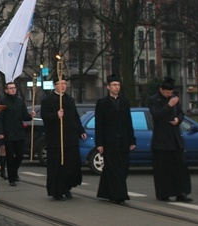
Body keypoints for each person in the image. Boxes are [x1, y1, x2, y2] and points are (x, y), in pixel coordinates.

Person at [147, 77, 193, 202]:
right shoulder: (153, 100)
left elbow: (181, 113)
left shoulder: (174, 99)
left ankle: (181, 192)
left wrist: (178, 119)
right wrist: (168, 105)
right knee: (163, 168)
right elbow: (156, 116)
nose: (169, 94)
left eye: (170, 92)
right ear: (161, 90)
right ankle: (164, 193)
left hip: (175, 137)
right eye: (167, 92)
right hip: (161, 140)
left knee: (180, 166)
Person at [41, 79, 86, 201]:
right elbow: (44, 116)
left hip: (70, 137)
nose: (63, 86)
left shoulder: (69, 100)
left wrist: (81, 131)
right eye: (60, 84)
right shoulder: (47, 100)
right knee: (57, 166)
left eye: (65, 84)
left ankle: (67, 187)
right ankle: (57, 191)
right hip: (56, 139)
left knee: (71, 164)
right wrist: (56, 115)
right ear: (55, 86)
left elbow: (75, 117)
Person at [95, 75, 136, 204]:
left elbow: (129, 122)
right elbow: (99, 124)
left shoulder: (124, 102)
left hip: (123, 140)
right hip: (109, 141)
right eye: (114, 85)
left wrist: (132, 140)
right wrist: (99, 143)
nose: (116, 87)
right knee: (113, 168)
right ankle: (119, 195)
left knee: (123, 167)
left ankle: (106, 191)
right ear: (108, 87)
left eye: (118, 85)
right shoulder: (102, 103)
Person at [0, 82, 35, 186]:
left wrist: (30, 116)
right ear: (6, 90)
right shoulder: (2, 102)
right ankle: (12, 178)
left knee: (20, 155)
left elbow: (24, 116)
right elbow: (0, 119)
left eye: (14, 88)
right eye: (10, 88)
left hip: (19, 132)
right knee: (10, 156)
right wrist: (0, 132)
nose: (13, 90)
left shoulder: (20, 101)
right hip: (8, 133)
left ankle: (14, 171)